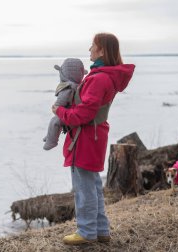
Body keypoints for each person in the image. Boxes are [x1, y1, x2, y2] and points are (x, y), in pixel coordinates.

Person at [52, 33, 135, 245]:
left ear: (101, 51)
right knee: (93, 185)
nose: (89, 49)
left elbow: (84, 114)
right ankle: (100, 230)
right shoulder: (101, 75)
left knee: (84, 188)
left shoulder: (99, 78)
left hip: (87, 137)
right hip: (94, 135)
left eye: (93, 46)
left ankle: (87, 232)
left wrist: (60, 111)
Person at [43, 58, 88, 150]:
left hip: (68, 111)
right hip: (72, 110)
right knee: (55, 122)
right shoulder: (80, 85)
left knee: (55, 122)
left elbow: (61, 100)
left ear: (63, 74)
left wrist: (56, 106)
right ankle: (50, 136)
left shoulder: (67, 87)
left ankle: (52, 141)